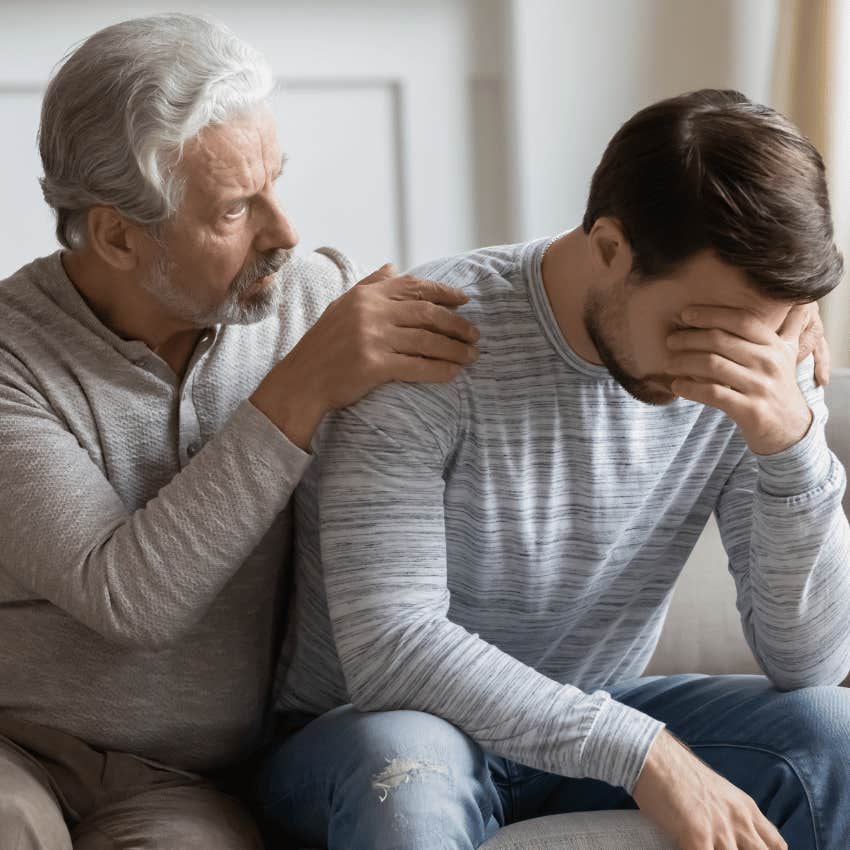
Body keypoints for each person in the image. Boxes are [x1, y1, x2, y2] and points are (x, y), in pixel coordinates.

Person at [260, 90, 850, 850]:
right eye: (691, 326)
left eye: (756, 332)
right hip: (375, 729)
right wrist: (640, 752)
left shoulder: (756, 364)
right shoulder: (426, 340)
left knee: (834, 734)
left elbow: (812, 663)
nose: (719, 359)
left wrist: (792, 445)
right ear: (610, 246)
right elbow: (391, 648)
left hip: (592, 709)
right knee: (406, 768)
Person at [0, 13, 479, 849]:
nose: (285, 233)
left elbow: (501, 327)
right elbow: (130, 597)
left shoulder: (306, 297)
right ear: (117, 234)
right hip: (16, 753)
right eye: (234, 209)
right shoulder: (12, 357)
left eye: (276, 184)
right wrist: (299, 389)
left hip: (190, 783)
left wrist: (759, 310)